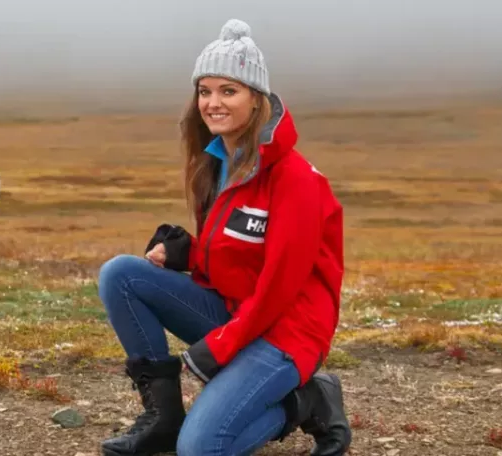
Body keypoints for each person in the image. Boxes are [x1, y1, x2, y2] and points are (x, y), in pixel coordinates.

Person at [96, 18, 352, 456]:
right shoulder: (219, 165)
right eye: (205, 91)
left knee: (200, 448)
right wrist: (188, 254)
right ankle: (163, 418)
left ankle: (305, 400)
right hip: (238, 313)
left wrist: (221, 344)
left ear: (257, 100)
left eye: (228, 91)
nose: (213, 103)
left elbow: (279, 287)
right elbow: (239, 254)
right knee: (121, 274)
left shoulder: (296, 181)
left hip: (286, 332)